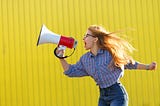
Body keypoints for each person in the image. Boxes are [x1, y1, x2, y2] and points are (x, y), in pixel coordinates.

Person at [56, 25, 157, 106]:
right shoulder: (85, 60)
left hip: (117, 95)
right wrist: (61, 57)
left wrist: (148, 67)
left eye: (86, 36)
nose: (83, 38)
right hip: (103, 96)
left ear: (95, 39)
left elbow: (130, 64)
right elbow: (70, 71)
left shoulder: (110, 53)